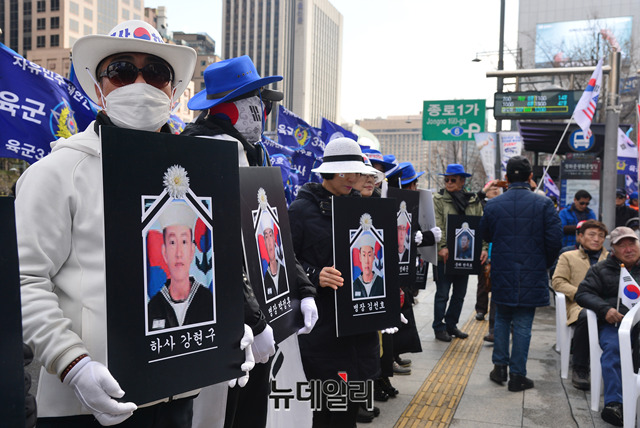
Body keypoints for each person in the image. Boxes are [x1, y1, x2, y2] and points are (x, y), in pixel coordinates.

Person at [15, 20, 254, 427]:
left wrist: (231, 324)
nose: (140, 84)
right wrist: (71, 362)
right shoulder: (57, 172)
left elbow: (212, 266)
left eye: (156, 73)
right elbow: (24, 279)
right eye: (122, 71)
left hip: (177, 392)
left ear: (173, 91)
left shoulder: (194, 174)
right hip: (87, 403)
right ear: (99, 88)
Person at [184, 55, 318, 428]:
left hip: (260, 313)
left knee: (252, 409)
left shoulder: (252, 153)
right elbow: (216, 253)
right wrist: (253, 321)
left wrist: (303, 289)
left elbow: (270, 234)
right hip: (223, 321)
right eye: (255, 98)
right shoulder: (205, 155)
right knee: (218, 414)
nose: (261, 108)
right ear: (230, 106)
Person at [289, 137, 381, 427]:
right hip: (323, 329)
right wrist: (314, 275)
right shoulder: (300, 210)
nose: (352, 179)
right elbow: (283, 261)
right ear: (328, 172)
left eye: (356, 172)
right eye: (346, 172)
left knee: (351, 407)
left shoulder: (362, 210)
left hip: (360, 328)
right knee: (326, 410)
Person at [480, 156, 562, 392]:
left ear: (506, 178)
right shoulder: (544, 204)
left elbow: (485, 234)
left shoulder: (493, 205)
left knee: (502, 318)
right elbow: (554, 240)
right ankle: (518, 376)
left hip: (503, 269)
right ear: (530, 177)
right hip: (532, 271)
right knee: (524, 323)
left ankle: (499, 368)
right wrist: (543, 263)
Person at [575, 227, 640, 427]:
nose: (628, 249)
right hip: (615, 324)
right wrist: (605, 310)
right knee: (612, 350)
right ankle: (615, 404)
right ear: (613, 249)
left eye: (632, 244)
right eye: (622, 245)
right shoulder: (601, 269)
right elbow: (582, 294)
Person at [432, 163, 487, 342]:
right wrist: (441, 246)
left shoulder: (473, 201)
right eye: (446, 179)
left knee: (459, 295)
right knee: (442, 294)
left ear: (462, 181)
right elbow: (437, 224)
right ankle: (438, 327)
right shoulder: (438, 199)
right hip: (445, 256)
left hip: (465, 255)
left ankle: (451, 325)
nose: (448, 182)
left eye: (453, 180)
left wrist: (484, 248)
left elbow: (481, 226)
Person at [552, 220, 608, 391]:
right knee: (586, 315)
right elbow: (558, 281)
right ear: (580, 237)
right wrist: (583, 295)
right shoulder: (568, 256)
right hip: (578, 305)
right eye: (592, 235)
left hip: (607, 305)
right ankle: (580, 368)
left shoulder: (611, 258)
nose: (596, 239)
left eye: (601, 236)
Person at [148, 201, 214, 331]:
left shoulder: (208, 301)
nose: (178, 253)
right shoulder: (153, 307)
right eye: (172, 242)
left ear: (192, 250)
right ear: (164, 252)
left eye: (184, 242)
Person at [261, 216, 288, 300]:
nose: (269, 242)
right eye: (266, 237)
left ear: (274, 239)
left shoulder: (285, 270)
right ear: (264, 242)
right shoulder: (264, 278)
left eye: (270, 235)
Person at [353, 232, 384, 299]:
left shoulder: (381, 283)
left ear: (374, 256)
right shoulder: (355, 285)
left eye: (369, 255)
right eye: (364, 255)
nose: (366, 261)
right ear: (360, 257)